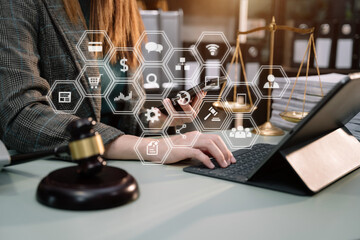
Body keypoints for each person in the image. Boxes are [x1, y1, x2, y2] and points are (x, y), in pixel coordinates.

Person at [0, 0, 235, 169]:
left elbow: (120, 117)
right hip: (46, 171)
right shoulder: (21, 5)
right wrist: (151, 148)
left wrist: (160, 122)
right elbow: (20, 115)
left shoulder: (124, 9)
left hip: (118, 168)